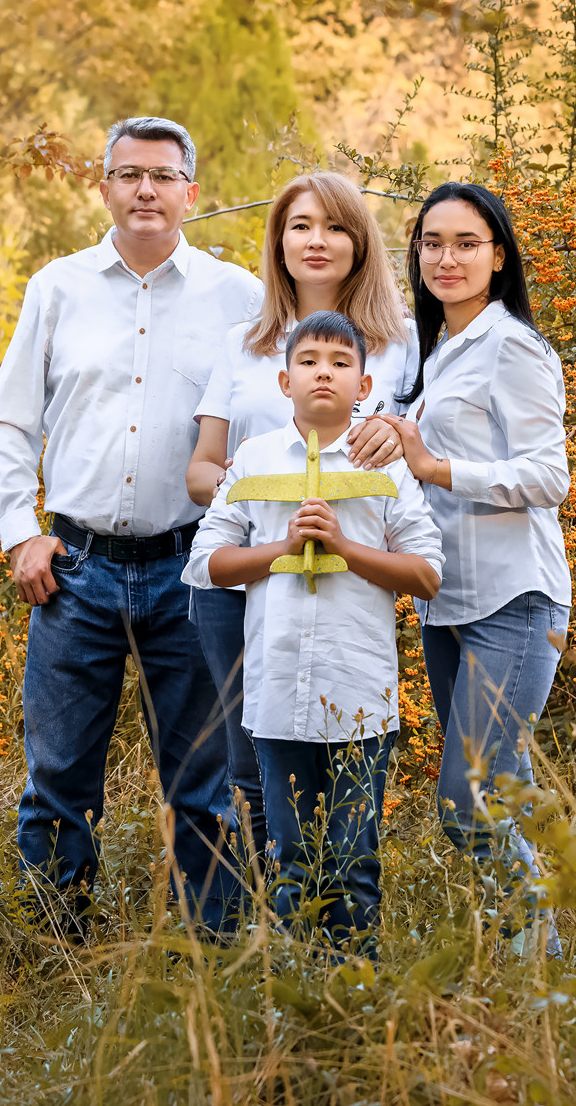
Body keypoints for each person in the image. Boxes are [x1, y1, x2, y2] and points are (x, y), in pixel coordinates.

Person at [0, 116, 260, 938]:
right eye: (129, 173)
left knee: (203, 781)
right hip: (75, 569)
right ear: (103, 186)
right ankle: (52, 952)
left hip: (191, 567)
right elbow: (6, 425)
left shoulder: (236, 296)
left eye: (163, 176)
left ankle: (214, 956)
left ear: (191, 194)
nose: (145, 189)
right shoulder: (57, 287)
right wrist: (18, 533)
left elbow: (272, 414)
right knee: (58, 777)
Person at [184, 312, 442, 954]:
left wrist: (345, 547)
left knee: (354, 863)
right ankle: (296, 999)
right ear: (283, 379)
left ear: (363, 385)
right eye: (308, 361)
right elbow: (206, 562)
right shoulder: (253, 459)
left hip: (358, 700)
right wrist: (283, 545)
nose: (322, 372)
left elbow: (427, 573)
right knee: (291, 856)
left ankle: (355, 998)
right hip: (276, 700)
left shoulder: (380, 462)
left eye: (338, 362)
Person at [184, 172, 412, 864]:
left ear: (360, 241)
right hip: (245, 580)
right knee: (250, 762)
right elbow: (202, 467)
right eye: (301, 226)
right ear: (278, 241)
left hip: (349, 578)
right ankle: (268, 934)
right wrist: (257, 495)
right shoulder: (243, 343)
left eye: (336, 226)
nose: (317, 241)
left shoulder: (400, 343)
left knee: (343, 752)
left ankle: (336, 922)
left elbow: (416, 456)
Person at [375, 181, 572, 945]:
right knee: (500, 793)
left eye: (466, 243)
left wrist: (436, 466)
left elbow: (550, 477)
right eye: (432, 242)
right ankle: (553, 960)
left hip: (513, 599)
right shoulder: (439, 352)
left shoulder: (512, 345)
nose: (446, 257)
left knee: (469, 802)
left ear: (499, 255)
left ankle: (544, 959)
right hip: (447, 603)